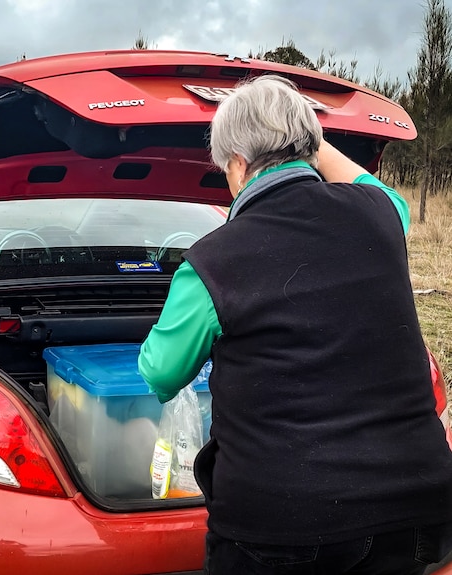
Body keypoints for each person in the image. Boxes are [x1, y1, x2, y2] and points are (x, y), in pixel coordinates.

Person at [138, 74, 452, 574]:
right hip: (417, 513)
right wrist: (308, 138)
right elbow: (373, 187)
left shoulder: (211, 262)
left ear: (238, 165)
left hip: (282, 528)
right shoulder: (381, 213)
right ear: (310, 147)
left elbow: (160, 373)